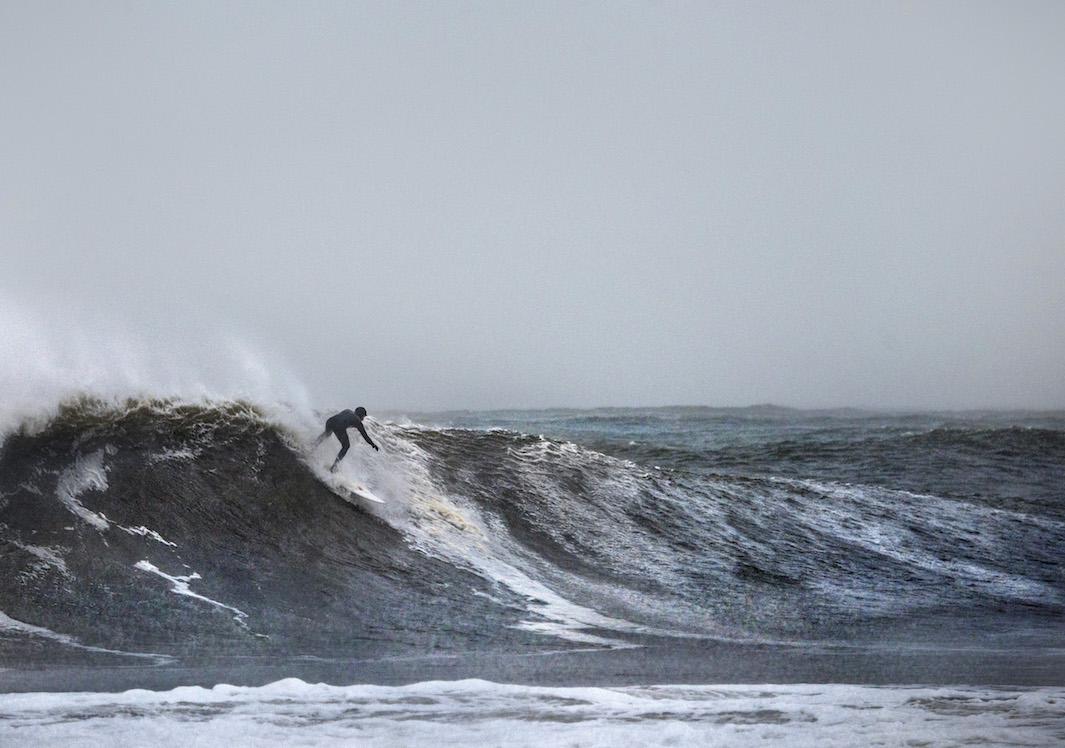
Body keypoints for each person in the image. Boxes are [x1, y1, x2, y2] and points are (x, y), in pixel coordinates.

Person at [315, 406, 379, 471]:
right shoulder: (358, 422)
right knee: (346, 446)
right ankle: (334, 467)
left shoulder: (347, 410)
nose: (363, 419)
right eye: (363, 417)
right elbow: (365, 436)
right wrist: (373, 444)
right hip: (339, 425)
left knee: (327, 434)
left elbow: (340, 418)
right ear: (361, 415)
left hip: (330, 421)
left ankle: (312, 446)